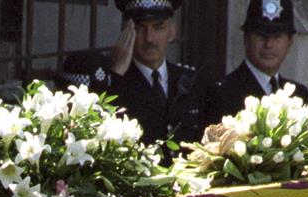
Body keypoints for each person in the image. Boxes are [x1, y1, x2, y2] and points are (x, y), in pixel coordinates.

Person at [58, 0, 207, 150]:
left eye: (158, 27)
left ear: (172, 31)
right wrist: (117, 74)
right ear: (126, 31)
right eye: (139, 28)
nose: (149, 38)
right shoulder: (112, 80)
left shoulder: (192, 81)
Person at [204, 0, 308, 124]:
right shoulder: (222, 94)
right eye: (261, 36)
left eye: (277, 37)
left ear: (290, 42)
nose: (269, 44)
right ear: (246, 38)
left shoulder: (298, 94)